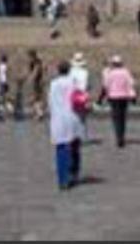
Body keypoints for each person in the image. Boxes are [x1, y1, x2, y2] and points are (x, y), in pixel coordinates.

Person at [48, 60, 85, 191]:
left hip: (58, 119)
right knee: (75, 147)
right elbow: (81, 99)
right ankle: (74, 173)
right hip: (73, 117)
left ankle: (62, 179)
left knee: (61, 149)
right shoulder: (73, 83)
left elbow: (51, 103)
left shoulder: (53, 84)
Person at [101, 54, 137, 148]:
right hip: (124, 97)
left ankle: (118, 137)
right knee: (123, 117)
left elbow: (106, 85)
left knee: (116, 118)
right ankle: (122, 136)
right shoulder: (126, 72)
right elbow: (131, 84)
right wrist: (132, 96)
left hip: (113, 97)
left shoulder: (111, 73)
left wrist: (104, 96)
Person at [26, 50, 47, 121]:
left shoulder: (36, 62)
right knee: (38, 98)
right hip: (39, 81)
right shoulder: (38, 61)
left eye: (29, 56)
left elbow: (36, 71)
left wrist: (30, 79)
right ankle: (39, 113)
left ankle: (39, 113)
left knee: (36, 98)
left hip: (37, 82)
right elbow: (44, 69)